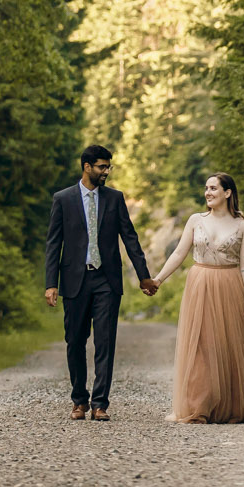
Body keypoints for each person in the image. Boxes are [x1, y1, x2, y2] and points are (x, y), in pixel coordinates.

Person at [151, 173, 244, 424]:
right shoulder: (195, 220)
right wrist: (158, 279)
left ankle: (233, 407)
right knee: (201, 345)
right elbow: (180, 252)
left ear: (227, 193)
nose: (208, 192)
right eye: (206, 188)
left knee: (230, 344)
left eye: (214, 188)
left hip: (230, 284)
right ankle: (199, 406)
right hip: (200, 283)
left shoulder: (242, 225)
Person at [45, 144, 157, 420]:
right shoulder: (63, 199)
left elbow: (129, 237)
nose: (106, 171)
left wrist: (144, 275)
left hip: (107, 280)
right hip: (74, 279)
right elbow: (53, 243)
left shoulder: (115, 198)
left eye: (108, 167)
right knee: (75, 341)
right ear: (86, 166)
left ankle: (100, 404)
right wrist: (51, 283)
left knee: (105, 341)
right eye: (101, 167)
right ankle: (79, 400)